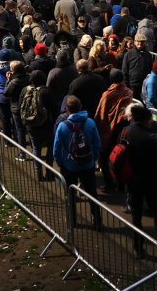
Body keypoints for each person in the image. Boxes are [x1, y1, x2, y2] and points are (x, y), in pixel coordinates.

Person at [122, 105, 157, 255]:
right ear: (145, 120)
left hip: (132, 181)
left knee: (137, 216)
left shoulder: (126, 132)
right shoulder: (150, 139)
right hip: (150, 181)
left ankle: (138, 247)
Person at [53, 96, 102, 230]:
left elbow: (56, 148)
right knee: (92, 193)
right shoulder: (90, 123)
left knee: (70, 194)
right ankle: (97, 220)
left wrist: (60, 163)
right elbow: (97, 143)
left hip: (69, 166)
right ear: (80, 107)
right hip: (87, 164)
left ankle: (72, 220)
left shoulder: (62, 126)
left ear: (67, 109)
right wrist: (94, 158)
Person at [95, 69, 134, 193]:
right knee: (121, 156)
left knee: (104, 157)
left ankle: (109, 184)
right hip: (124, 128)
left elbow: (100, 115)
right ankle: (121, 184)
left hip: (109, 130)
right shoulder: (129, 92)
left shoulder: (107, 94)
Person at [21, 69, 54, 180]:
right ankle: (49, 172)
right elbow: (53, 108)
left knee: (36, 148)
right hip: (46, 124)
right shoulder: (46, 91)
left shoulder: (25, 90)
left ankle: (38, 172)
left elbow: (21, 105)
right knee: (50, 147)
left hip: (30, 124)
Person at [121, 32, 151, 101]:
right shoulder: (128, 54)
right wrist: (127, 86)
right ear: (134, 42)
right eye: (138, 41)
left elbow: (150, 69)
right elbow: (124, 71)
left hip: (144, 86)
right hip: (132, 86)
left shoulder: (148, 55)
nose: (140, 43)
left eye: (142, 42)